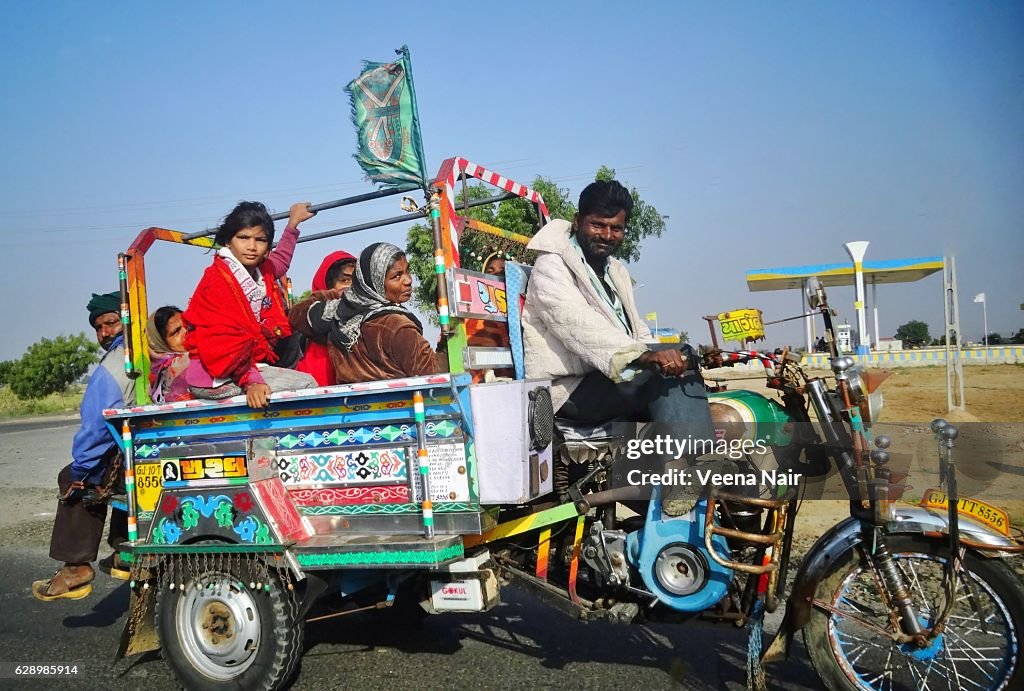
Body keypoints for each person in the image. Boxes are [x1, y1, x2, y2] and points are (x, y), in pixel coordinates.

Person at [522, 180, 713, 441]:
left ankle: (675, 464)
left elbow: (637, 328)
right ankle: (690, 466)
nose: (607, 235)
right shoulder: (551, 265)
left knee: (681, 358)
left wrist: (664, 354)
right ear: (578, 221)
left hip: (609, 379)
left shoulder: (615, 271)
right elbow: (577, 324)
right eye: (598, 225)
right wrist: (644, 357)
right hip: (570, 390)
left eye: (616, 228)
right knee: (661, 376)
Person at [31, 292, 135, 601]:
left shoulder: (112, 368)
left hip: (132, 458)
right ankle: (122, 552)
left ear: (126, 320)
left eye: (111, 323)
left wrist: (82, 468)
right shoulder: (149, 354)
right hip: (149, 451)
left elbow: (94, 431)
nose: (105, 333)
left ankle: (76, 566)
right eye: (99, 327)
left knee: (74, 475)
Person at [183, 201, 318, 408]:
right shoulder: (219, 281)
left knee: (290, 333)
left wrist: (293, 224)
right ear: (228, 241)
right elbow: (224, 342)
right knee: (307, 384)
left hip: (241, 366)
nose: (252, 247)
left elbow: (280, 262)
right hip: (217, 374)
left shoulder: (260, 272)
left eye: (260, 240)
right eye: (243, 238)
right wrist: (253, 381)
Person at [290, 242, 446, 383]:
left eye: (407, 271)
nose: (408, 280)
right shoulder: (396, 326)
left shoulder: (341, 320)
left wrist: (349, 298)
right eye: (396, 276)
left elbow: (297, 315)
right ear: (374, 282)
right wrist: (448, 341)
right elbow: (435, 374)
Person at [294, 251, 356, 386]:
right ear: (327, 286)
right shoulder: (310, 319)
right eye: (344, 281)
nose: (351, 288)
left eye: (355, 282)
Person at [465, 252, 514, 382]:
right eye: (490, 271)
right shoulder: (473, 317)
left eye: (502, 272)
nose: (496, 275)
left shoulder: (519, 312)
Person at [148, 305, 190, 403]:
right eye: (176, 332)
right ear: (160, 342)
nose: (186, 332)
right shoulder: (175, 368)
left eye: (187, 325)